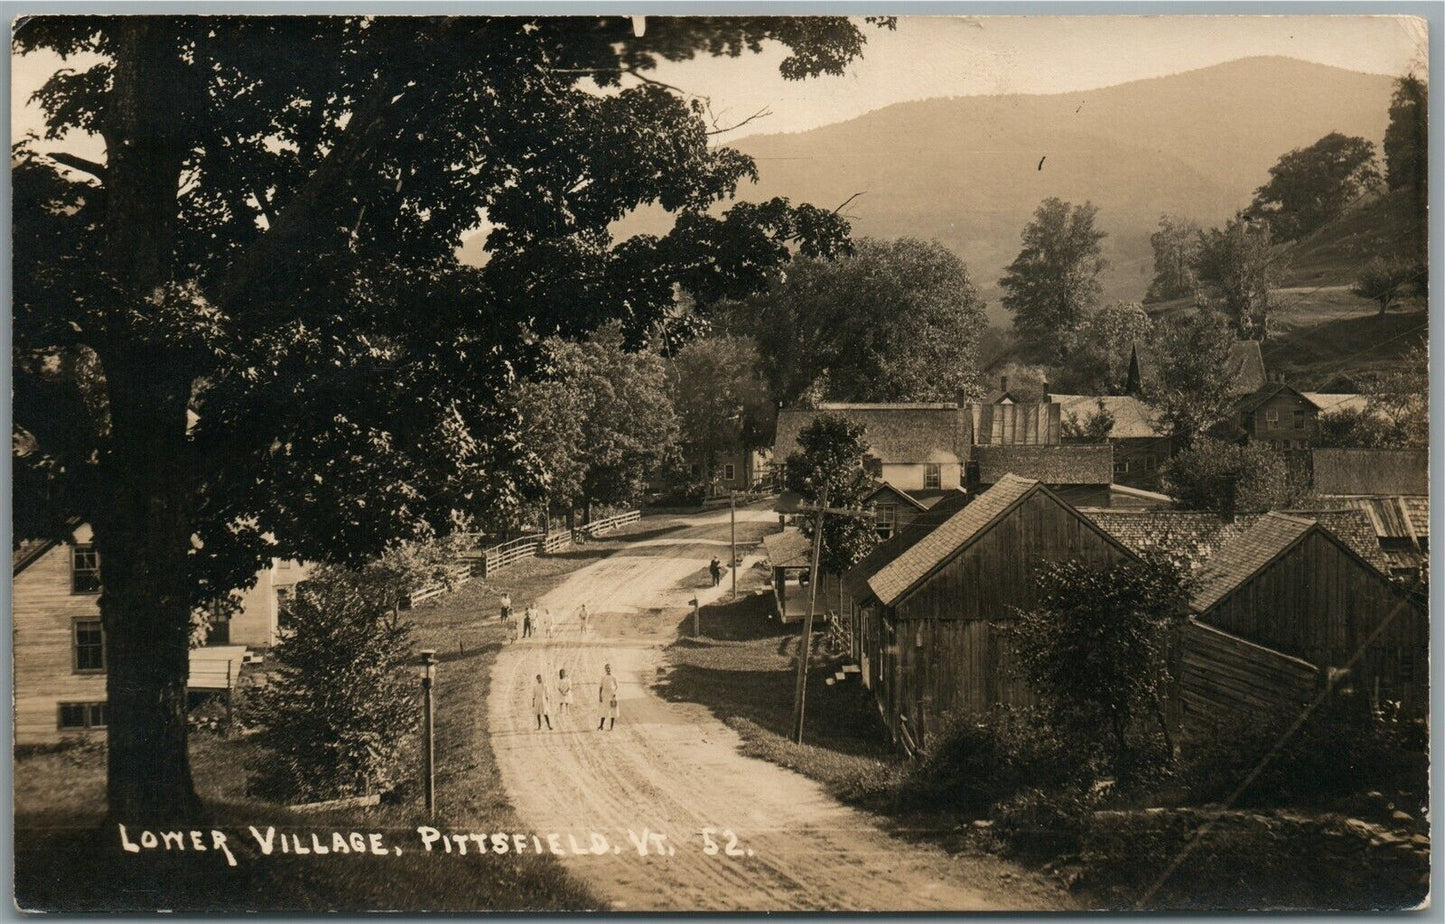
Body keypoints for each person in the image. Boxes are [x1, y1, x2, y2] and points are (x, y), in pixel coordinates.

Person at [598, 663, 619, 731]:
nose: (608, 669)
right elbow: (600, 687)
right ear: (605, 669)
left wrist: (614, 692)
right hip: (605, 695)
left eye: (609, 668)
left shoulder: (614, 677)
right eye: (607, 668)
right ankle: (601, 726)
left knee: (613, 711)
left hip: (612, 696)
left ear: (611, 668)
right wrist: (600, 696)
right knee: (604, 710)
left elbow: (617, 686)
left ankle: (611, 727)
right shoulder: (603, 677)